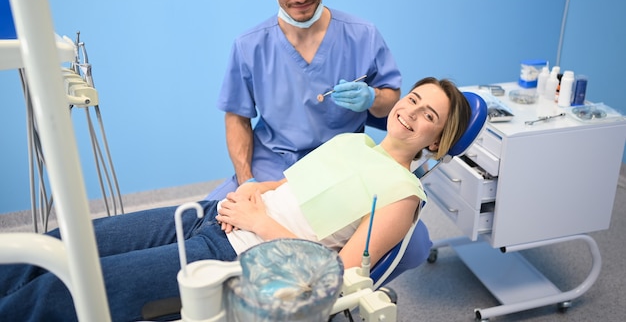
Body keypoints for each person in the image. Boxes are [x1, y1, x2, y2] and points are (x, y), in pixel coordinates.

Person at [0, 78, 470, 322]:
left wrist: (260, 223)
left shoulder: (404, 194)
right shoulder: (354, 143)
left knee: (67, 291)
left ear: (437, 140)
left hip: (240, 254)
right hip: (215, 217)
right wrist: (253, 190)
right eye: (412, 99)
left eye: (429, 114)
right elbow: (287, 187)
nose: (410, 111)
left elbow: (338, 275)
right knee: (61, 244)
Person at [209, 0, 402, 200]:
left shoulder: (362, 35)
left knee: (398, 236)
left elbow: (391, 103)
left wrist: (372, 97)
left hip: (341, 167)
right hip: (272, 164)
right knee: (209, 220)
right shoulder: (249, 46)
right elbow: (236, 117)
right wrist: (246, 181)